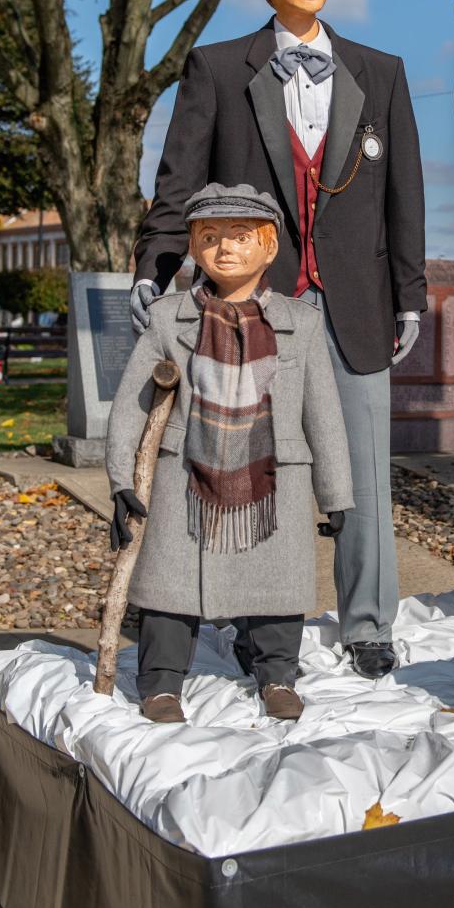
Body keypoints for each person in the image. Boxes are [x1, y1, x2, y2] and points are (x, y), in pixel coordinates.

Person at [130, 0, 427, 678]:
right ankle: (240, 612)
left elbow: (404, 197)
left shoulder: (382, 73)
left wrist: (409, 292)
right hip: (253, 303)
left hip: (355, 300)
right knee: (243, 465)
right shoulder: (220, 69)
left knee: (360, 465)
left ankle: (368, 619)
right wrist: (157, 269)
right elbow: (178, 182)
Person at [107, 183, 354, 723]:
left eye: (242, 237)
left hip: (273, 479)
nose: (226, 249)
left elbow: (324, 414)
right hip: (184, 476)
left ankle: (278, 676)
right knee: (169, 587)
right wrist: (121, 482)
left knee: (277, 587)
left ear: (269, 248)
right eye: (211, 237)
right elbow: (132, 404)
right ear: (193, 248)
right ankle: (161, 684)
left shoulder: (302, 323)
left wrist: (336, 493)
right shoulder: (169, 319)